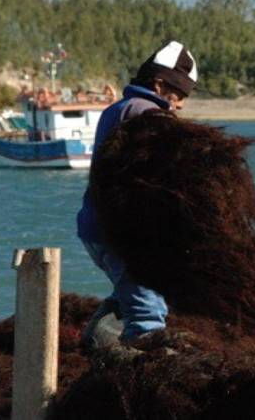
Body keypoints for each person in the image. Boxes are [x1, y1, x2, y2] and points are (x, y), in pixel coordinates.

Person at [77, 40, 199, 349]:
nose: (182, 104)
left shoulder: (117, 109)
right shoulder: (148, 115)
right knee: (148, 313)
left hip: (96, 227)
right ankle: (142, 364)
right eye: (180, 94)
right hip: (120, 232)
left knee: (132, 288)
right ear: (159, 84)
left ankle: (99, 332)